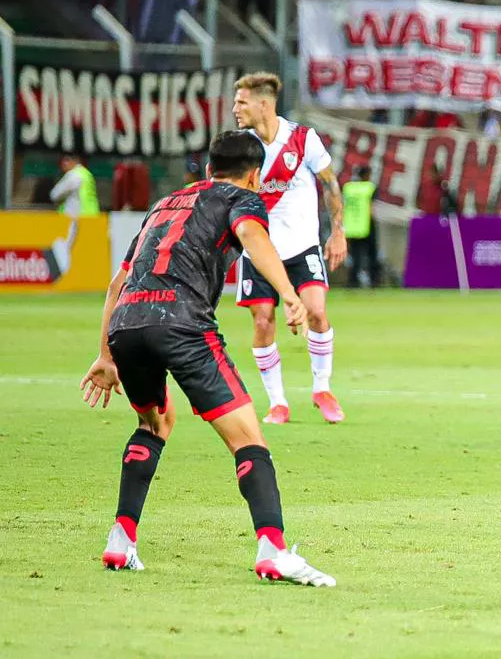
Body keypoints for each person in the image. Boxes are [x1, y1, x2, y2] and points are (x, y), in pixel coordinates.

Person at [79, 131, 334, 586]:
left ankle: (121, 540)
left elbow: (117, 284)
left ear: (209, 165)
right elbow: (251, 234)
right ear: (255, 174)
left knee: (154, 424)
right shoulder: (242, 197)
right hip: (182, 324)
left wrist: (104, 354)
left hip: (128, 325)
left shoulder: (165, 203)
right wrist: (289, 293)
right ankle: (273, 550)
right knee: (248, 440)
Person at [232, 73, 348, 425]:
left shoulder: (303, 139)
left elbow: (331, 184)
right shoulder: (241, 147)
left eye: (242, 102)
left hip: (302, 247)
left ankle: (322, 388)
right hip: (259, 251)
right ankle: (278, 402)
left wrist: (338, 232)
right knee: (264, 320)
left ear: (263, 104)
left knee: (316, 310)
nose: (235, 109)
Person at [342, 166, 379, 288]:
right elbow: (371, 207)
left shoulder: (348, 188)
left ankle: (353, 282)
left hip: (352, 226)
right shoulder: (369, 187)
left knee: (356, 257)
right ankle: (374, 281)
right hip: (367, 225)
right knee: (371, 255)